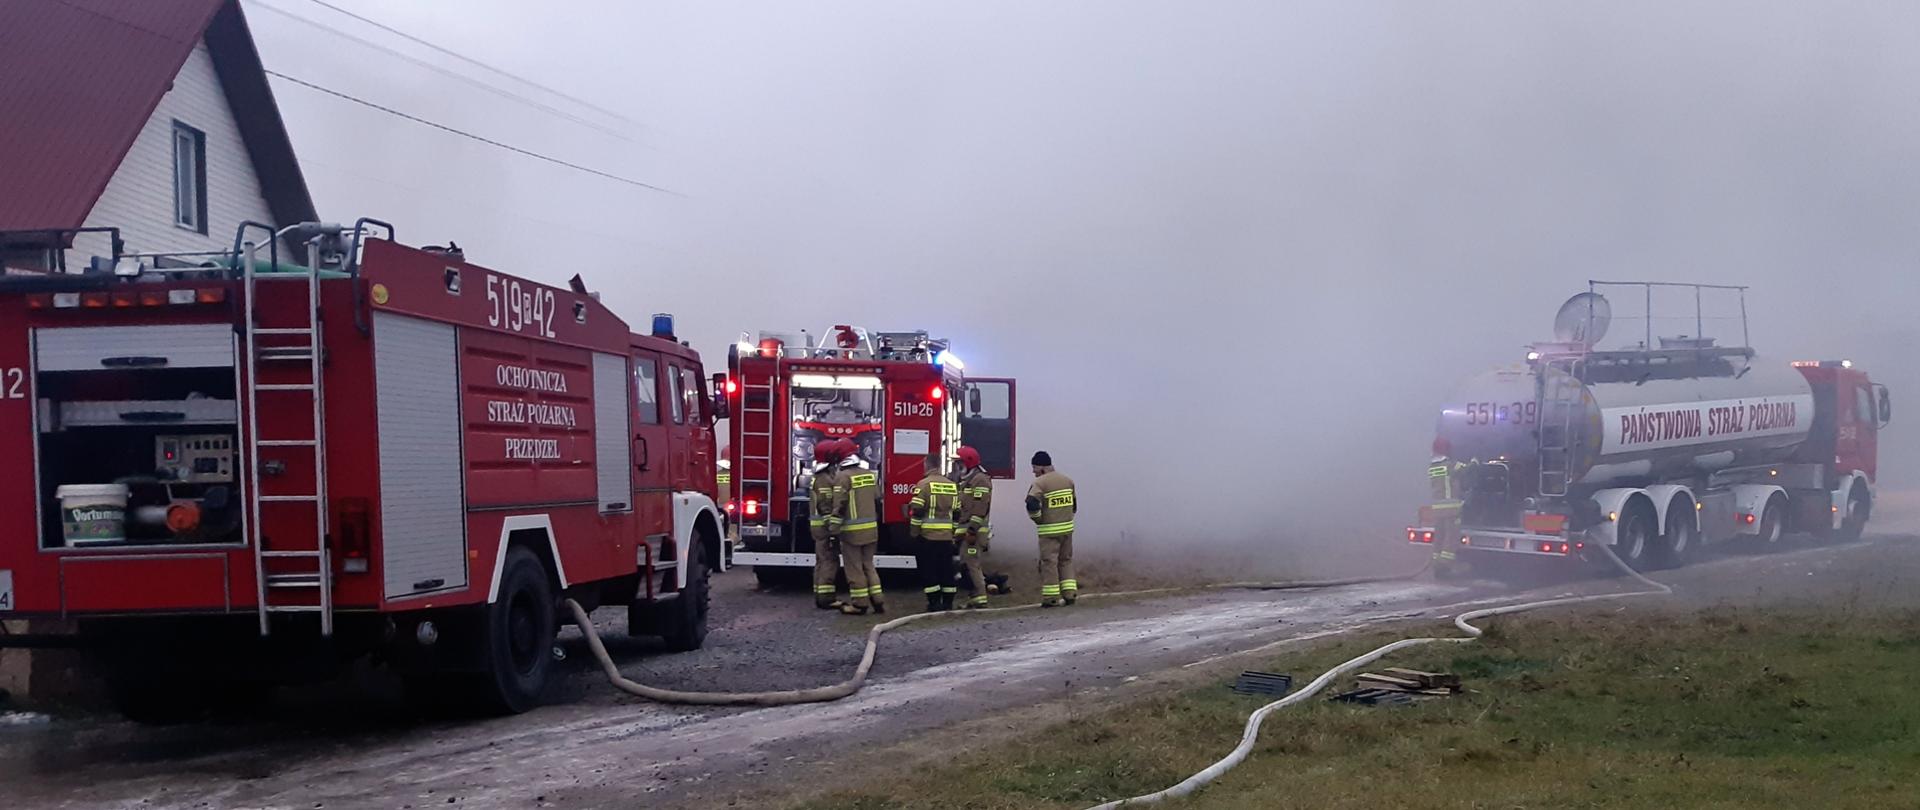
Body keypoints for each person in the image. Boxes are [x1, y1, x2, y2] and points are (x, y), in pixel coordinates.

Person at [835, 440, 886, 615]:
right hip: (871, 530)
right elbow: (877, 498)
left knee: (854, 568)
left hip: (852, 533)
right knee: (869, 565)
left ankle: (859, 604)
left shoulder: (843, 477)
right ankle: (878, 601)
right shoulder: (869, 474)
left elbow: (839, 505)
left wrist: (833, 528)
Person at [907, 455, 964, 612]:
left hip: (928, 537)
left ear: (927, 465)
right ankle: (948, 603)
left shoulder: (923, 485)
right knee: (946, 570)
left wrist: (914, 533)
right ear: (940, 465)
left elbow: (917, 511)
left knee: (929, 571)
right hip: (946, 538)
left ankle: (934, 603)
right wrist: (953, 533)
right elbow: (957, 513)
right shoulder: (952, 486)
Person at [1026, 451, 1078, 606]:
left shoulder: (1040, 483)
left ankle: (1051, 597)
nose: (1033, 472)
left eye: (1034, 468)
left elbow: (1031, 503)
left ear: (1042, 467)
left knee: (1049, 563)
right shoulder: (1067, 480)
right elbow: (1074, 505)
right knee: (1065, 561)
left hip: (1049, 532)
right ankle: (1070, 594)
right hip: (1067, 530)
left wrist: (1038, 519)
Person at [954, 446, 995, 608]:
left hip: (975, 533)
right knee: (967, 563)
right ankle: (976, 596)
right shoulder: (969, 481)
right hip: (968, 530)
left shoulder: (980, 480)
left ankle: (980, 596)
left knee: (972, 563)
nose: (958, 467)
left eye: (960, 463)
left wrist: (972, 530)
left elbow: (980, 507)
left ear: (968, 462)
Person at [808, 443, 845, 609]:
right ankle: (826, 599)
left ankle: (820, 595)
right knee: (829, 560)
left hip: (819, 527)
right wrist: (832, 528)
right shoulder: (823, 479)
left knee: (822, 560)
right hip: (824, 527)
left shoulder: (820, 476)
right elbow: (825, 504)